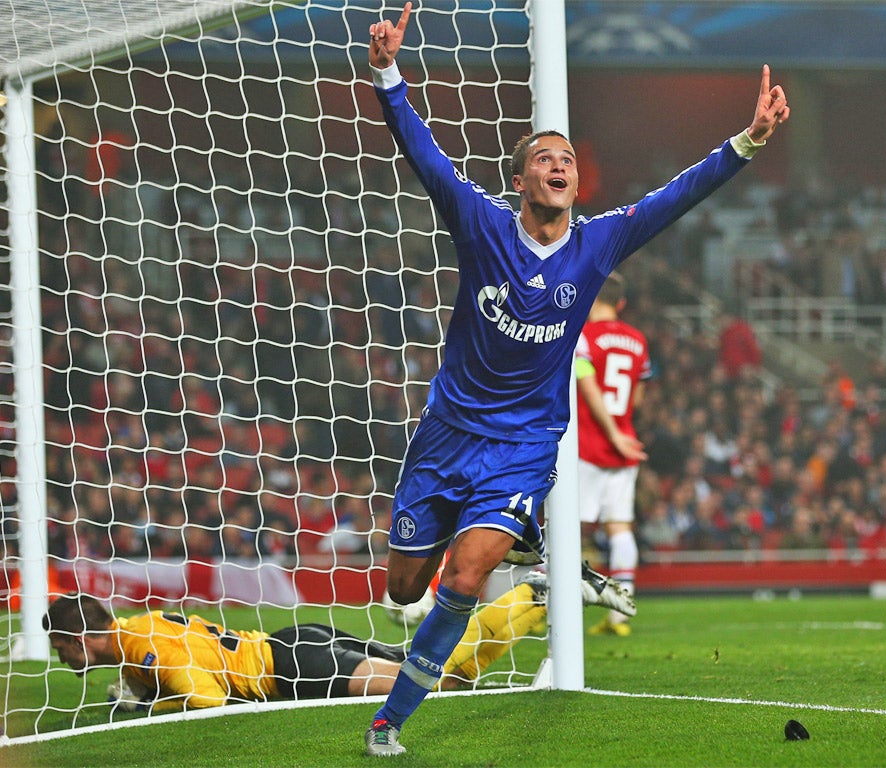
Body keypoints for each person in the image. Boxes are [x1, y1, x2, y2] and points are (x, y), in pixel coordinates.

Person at [365, 2, 789, 756]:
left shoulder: (598, 244)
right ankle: (507, 550)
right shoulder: (482, 225)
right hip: (447, 432)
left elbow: (674, 196)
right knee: (404, 588)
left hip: (525, 442)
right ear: (521, 177)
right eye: (544, 158)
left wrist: (748, 142)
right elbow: (426, 158)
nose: (559, 165)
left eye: (566, 159)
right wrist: (390, 74)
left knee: (463, 580)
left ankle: (388, 722)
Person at [43, 570, 635, 712]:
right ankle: (533, 596)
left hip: (297, 666)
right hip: (296, 645)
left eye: (59, 648)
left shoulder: (148, 649)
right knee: (434, 671)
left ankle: (534, 595)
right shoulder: (133, 635)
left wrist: (152, 704)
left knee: (437, 680)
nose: (59, 659)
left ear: (78, 638)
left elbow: (206, 702)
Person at [575, 271, 650, 637]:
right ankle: (621, 616)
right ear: (621, 304)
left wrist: (609, 433)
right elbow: (636, 395)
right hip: (626, 443)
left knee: (567, 527)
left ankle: (546, 605)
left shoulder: (584, 337)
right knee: (620, 528)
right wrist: (621, 431)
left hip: (588, 443)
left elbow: (587, 386)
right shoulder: (638, 340)